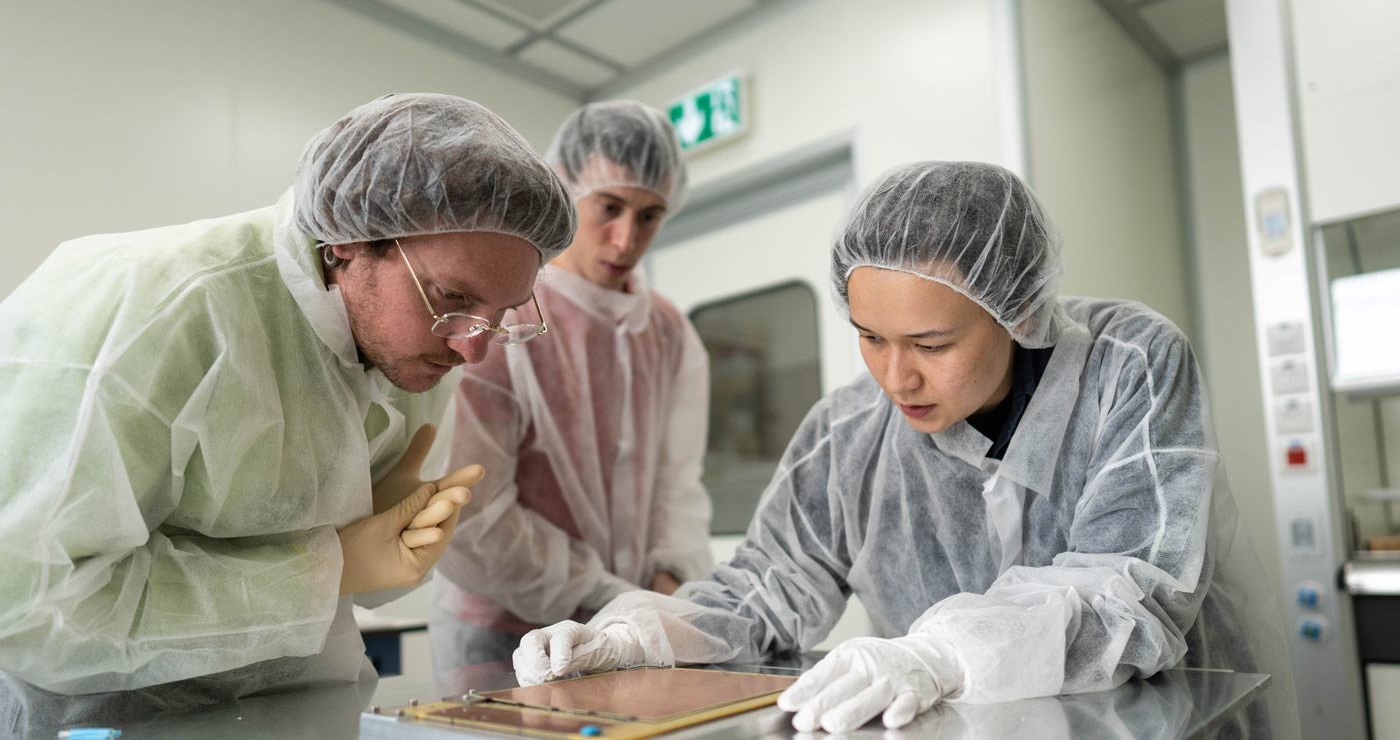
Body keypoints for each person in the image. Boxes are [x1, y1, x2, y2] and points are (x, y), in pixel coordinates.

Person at [511, 162, 1299, 738]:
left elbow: (1131, 592)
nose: (896, 375)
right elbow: (766, 586)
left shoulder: (1126, 364)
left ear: (1016, 308)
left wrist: (942, 653)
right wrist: (637, 638)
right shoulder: (845, 432)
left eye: (930, 342)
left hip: (1159, 717)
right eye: (870, 338)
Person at [0, 93, 576, 728]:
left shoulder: (411, 345)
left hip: (302, 714)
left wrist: (376, 550)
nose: (473, 347)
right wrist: (317, 573)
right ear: (350, 242)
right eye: (453, 296)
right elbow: (28, 603)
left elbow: (357, 581)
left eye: (502, 315)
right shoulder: (155, 310)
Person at [429, 100, 713, 670]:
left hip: (628, 629)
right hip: (500, 635)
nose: (626, 238)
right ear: (565, 188)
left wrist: (663, 587)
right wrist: (606, 593)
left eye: (650, 215)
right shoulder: (506, 309)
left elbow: (676, 485)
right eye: (609, 207)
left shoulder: (669, 331)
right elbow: (473, 511)